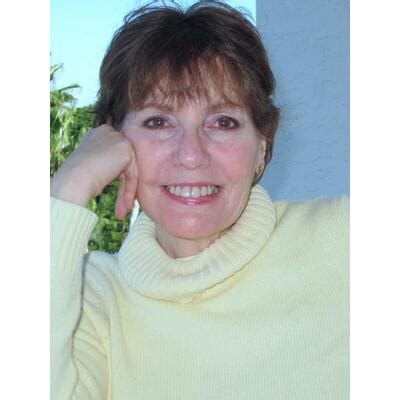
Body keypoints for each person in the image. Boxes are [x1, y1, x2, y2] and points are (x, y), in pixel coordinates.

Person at [50, 1, 349, 399]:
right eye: (158, 122)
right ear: (112, 143)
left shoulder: (343, 239)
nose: (191, 155)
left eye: (223, 122)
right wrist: (67, 189)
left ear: (262, 145)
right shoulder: (89, 296)